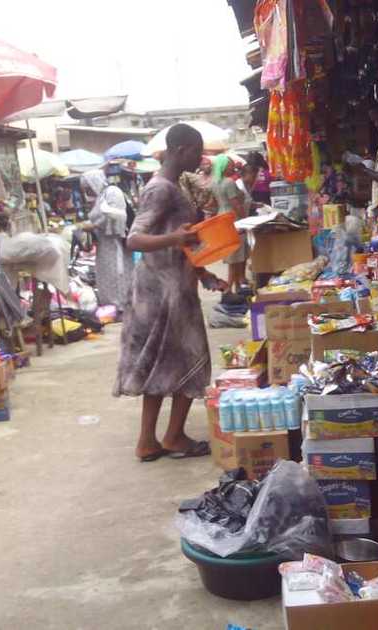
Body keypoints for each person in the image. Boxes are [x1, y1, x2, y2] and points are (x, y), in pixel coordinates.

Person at [115, 123, 225, 462]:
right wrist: (176, 239)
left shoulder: (172, 186)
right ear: (180, 150)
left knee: (164, 365)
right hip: (161, 294)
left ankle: (152, 440)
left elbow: (177, 239)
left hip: (174, 288)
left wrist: (202, 272)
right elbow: (135, 239)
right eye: (197, 150)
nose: (201, 157)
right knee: (192, 361)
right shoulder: (160, 189)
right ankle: (170, 436)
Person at [82, 169, 134, 312]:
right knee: (107, 275)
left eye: (88, 187)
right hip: (104, 244)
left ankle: (121, 305)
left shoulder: (112, 192)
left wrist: (94, 225)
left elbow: (117, 216)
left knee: (118, 273)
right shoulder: (101, 197)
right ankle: (111, 304)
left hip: (115, 243)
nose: (87, 191)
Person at [211, 154, 249, 294]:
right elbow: (236, 204)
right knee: (236, 255)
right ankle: (230, 288)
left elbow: (213, 203)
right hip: (233, 218)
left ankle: (237, 287)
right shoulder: (228, 183)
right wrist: (245, 220)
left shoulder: (214, 183)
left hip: (222, 217)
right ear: (223, 167)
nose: (232, 167)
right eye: (230, 165)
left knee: (231, 253)